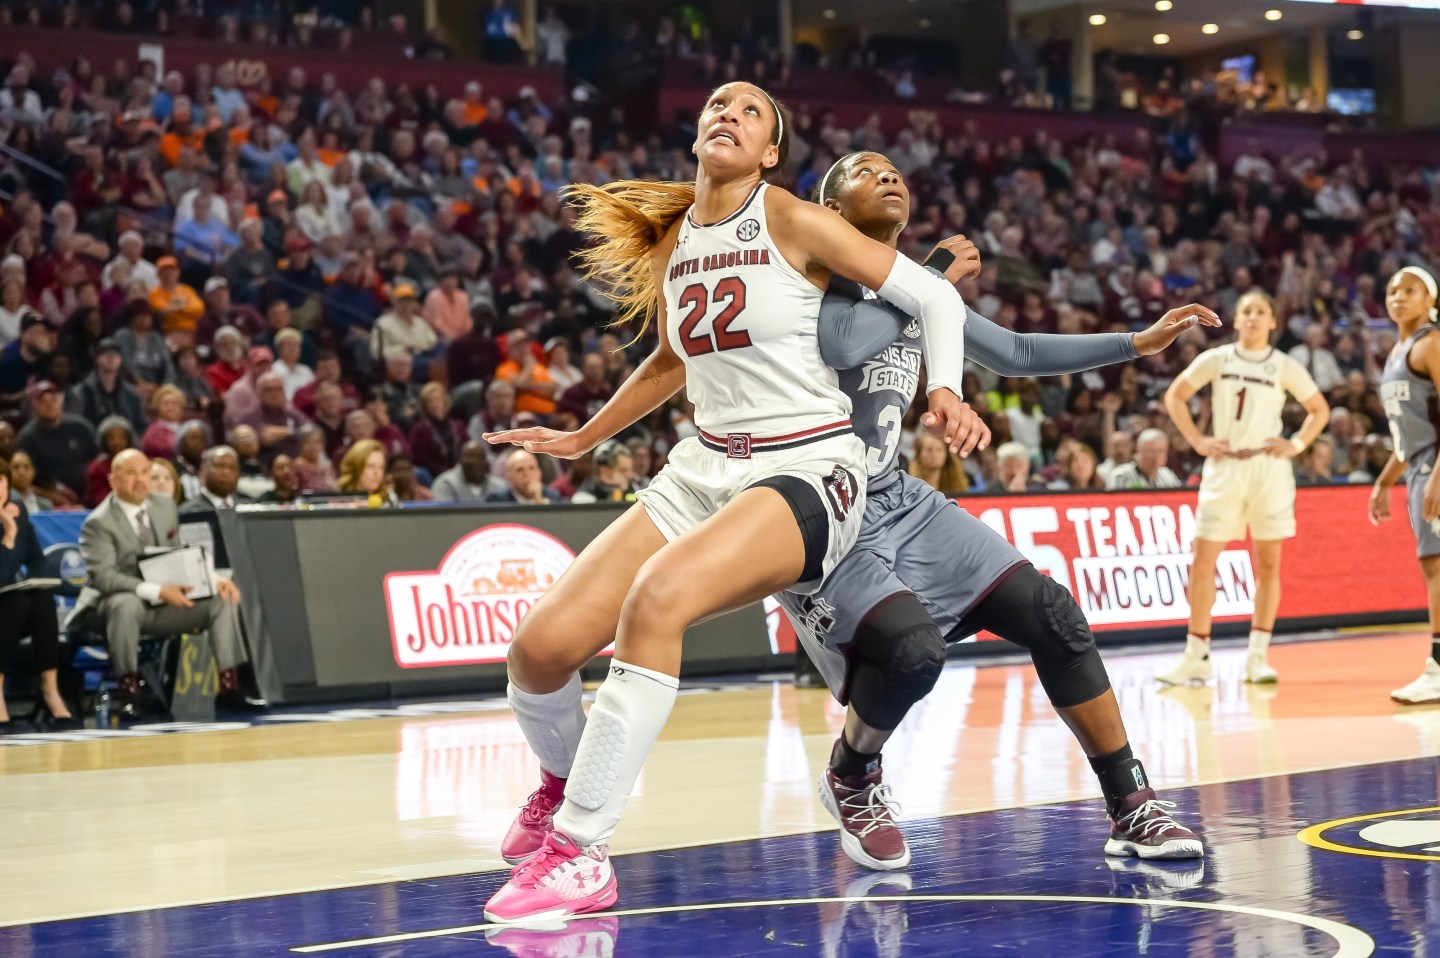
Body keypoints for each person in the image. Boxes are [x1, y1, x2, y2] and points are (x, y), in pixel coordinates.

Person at [481, 84, 981, 924]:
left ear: (771, 153)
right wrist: (582, 437)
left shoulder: (789, 217)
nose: (729, 115)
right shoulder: (680, 236)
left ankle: (580, 851)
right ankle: (565, 783)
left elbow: (933, 295)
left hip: (808, 468)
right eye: (719, 104)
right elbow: (673, 360)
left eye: (752, 113)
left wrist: (945, 389)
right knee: (538, 649)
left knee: (658, 601)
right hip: (701, 468)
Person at [1159, 292, 1330, 685]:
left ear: (1274, 321)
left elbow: (1319, 409)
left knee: (1269, 564)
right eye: (1246, 312)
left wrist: (1298, 444)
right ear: (1236, 320)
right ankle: (1197, 654)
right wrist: (1198, 442)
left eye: (1261, 312)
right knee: (1202, 560)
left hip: (1268, 468)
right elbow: (1176, 396)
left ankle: (1257, 656)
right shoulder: (1217, 359)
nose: (1252, 318)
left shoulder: (1284, 365)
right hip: (1224, 467)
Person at [68, 449, 265, 719]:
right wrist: (157, 590)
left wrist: (213, 579)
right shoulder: (98, 522)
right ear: (113, 480)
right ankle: (130, 693)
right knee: (125, 603)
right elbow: (104, 577)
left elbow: (177, 553)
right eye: (130, 474)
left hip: (161, 605)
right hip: (109, 607)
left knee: (220, 598)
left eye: (144, 472)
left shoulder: (164, 506)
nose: (140, 480)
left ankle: (230, 688)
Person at [1370, 266, 1440, 705]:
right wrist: (1383, 482)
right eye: (1393, 289)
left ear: (1430, 300)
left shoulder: (1431, 342)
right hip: (1418, 462)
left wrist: (1438, 473)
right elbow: (1406, 434)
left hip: (1434, 463)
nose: (1399, 296)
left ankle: (1438, 666)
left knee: (1436, 566)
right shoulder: (1398, 351)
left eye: (1410, 289)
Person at [0, 456, 80, 732]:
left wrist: (35, 580)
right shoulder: (10, 521)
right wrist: (8, 538)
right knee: (18, 602)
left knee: (40, 598)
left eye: (1, 481)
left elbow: (37, 559)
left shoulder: (17, 508)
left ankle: (50, 690)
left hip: (11, 602)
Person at [1105, 428, 1182, 490]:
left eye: (1160, 451)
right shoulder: (1120, 475)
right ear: (1138, 450)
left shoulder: (1167, 475)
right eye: (1150, 451)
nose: (1155, 456)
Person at [433, 441, 506, 501]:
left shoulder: (499, 486)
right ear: (460, 460)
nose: (476, 462)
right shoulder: (446, 483)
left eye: (480, 458)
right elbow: (445, 516)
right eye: (470, 458)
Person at [486, 448, 562, 504]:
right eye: (520, 470)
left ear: (539, 473)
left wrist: (538, 499)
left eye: (531, 468)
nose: (526, 474)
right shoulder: (498, 499)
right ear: (508, 477)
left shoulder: (552, 496)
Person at [569, 440, 637, 503]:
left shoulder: (634, 491)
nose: (631, 475)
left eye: (631, 470)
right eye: (623, 470)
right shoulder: (584, 499)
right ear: (604, 472)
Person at [908, 431, 969, 496]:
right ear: (919, 455)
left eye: (939, 450)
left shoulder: (957, 487)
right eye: (929, 449)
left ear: (947, 455)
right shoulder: (909, 487)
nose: (934, 454)